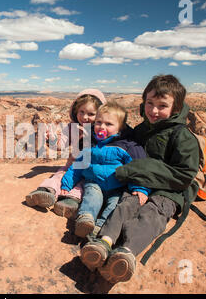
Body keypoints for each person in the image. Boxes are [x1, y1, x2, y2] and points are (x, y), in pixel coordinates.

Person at [79, 74, 200, 284]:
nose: (153, 111)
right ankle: (104, 242)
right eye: (150, 103)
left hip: (168, 190)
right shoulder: (142, 130)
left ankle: (126, 253)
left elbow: (184, 175)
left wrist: (137, 170)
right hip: (138, 184)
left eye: (162, 106)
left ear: (176, 109)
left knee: (152, 214)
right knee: (124, 205)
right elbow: (117, 137)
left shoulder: (182, 136)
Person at [60, 102, 150, 241]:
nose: (102, 127)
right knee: (91, 196)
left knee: (114, 205)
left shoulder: (128, 146)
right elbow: (78, 165)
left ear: (120, 127)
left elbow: (138, 168)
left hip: (118, 186)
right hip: (94, 182)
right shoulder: (90, 143)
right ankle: (86, 218)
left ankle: (100, 226)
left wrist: (139, 188)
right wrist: (67, 183)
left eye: (108, 124)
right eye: (99, 122)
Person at [25, 89, 106, 217]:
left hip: (91, 169)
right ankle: (45, 191)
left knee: (82, 184)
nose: (85, 117)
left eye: (91, 114)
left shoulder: (102, 130)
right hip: (72, 165)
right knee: (59, 175)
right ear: (76, 111)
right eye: (82, 112)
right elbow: (60, 145)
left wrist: (88, 139)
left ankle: (70, 201)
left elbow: (107, 151)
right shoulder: (72, 127)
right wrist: (51, 138)